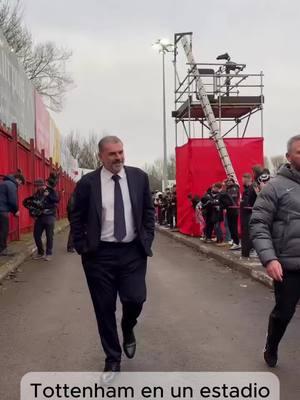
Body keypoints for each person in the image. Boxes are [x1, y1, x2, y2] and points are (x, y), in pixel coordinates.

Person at [70, 136, 155, 379]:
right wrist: (81, 245)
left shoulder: (139, 178)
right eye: (112, 154)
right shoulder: (88, 183)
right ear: (101, 157)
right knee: (104, 309)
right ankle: (112, 359)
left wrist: (146, 238)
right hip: (99, 255)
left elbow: (148, 211)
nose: (118, 157)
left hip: (132, 253)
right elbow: (75, 213)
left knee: (136, 299)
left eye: (120, 152)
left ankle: (128, 327)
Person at [250, 135, 300, 368]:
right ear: (289, 157)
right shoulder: (275, 187)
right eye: (299, 152)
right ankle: (272, 344)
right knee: (284, 313)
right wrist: (269, 259)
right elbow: (258, 224)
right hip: (288, 266)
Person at [23, 175, 59, 261]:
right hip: (39, 217)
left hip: (49, 216)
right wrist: (33, 215)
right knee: (36, 235)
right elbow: (33, 205)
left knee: (49, 235)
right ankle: (40, 252)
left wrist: (48, 195)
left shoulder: (50, 191)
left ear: (43, 184)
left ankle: (49, 253)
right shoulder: (36, 194)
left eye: (40, 186)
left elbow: (56, 200)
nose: (39, 188)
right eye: (37, 186)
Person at [0, 171, 25, 256]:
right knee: (4, 230)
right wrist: (16, 211)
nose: (20, 185)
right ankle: (2, 250)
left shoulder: (4, 183)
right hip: (2, 211)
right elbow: (12, 201)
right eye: (20, 183)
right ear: (17, 179)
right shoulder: (11, 185)